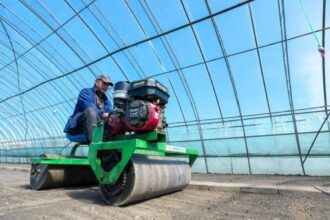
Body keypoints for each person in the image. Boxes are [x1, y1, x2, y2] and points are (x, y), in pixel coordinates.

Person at [64, 74, 114, 143]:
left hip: (95, 127)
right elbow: (90, 107)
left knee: (113, 118)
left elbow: (109, 110)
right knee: (90, 111)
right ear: (96, 82)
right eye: (104, 83)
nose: (106, 86)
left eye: (108, 85)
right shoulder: (85, 92)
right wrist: (103, 114)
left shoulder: (106, 100)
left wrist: (110, 115)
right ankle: (94, 142)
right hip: (78, 128)